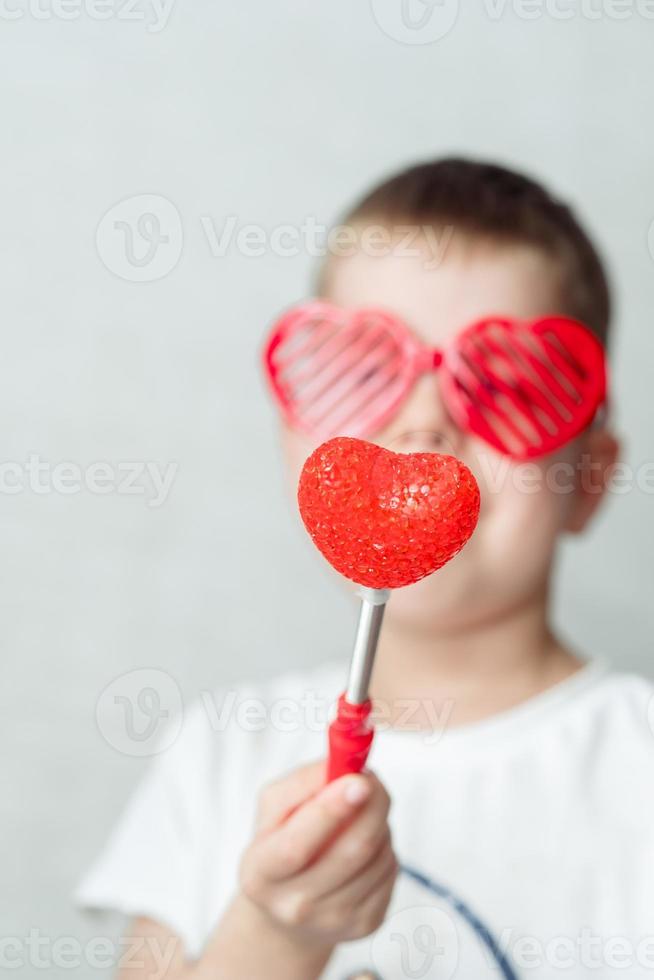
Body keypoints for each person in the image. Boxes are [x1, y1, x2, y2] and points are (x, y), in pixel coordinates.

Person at [75, 159, 654, 980]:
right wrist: (277, 937)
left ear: (588, 480)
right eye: (363, 369)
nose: (423, 424)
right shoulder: (220, 755)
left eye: (505, 385)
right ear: (292, 438)